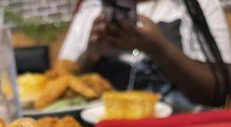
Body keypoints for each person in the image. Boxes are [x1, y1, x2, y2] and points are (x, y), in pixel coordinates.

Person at [59, 0, 231, 109]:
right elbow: (57, 84)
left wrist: (159, 49)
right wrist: (91, 53)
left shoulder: (199, 5)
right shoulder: (90, 8)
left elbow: (218, 92)